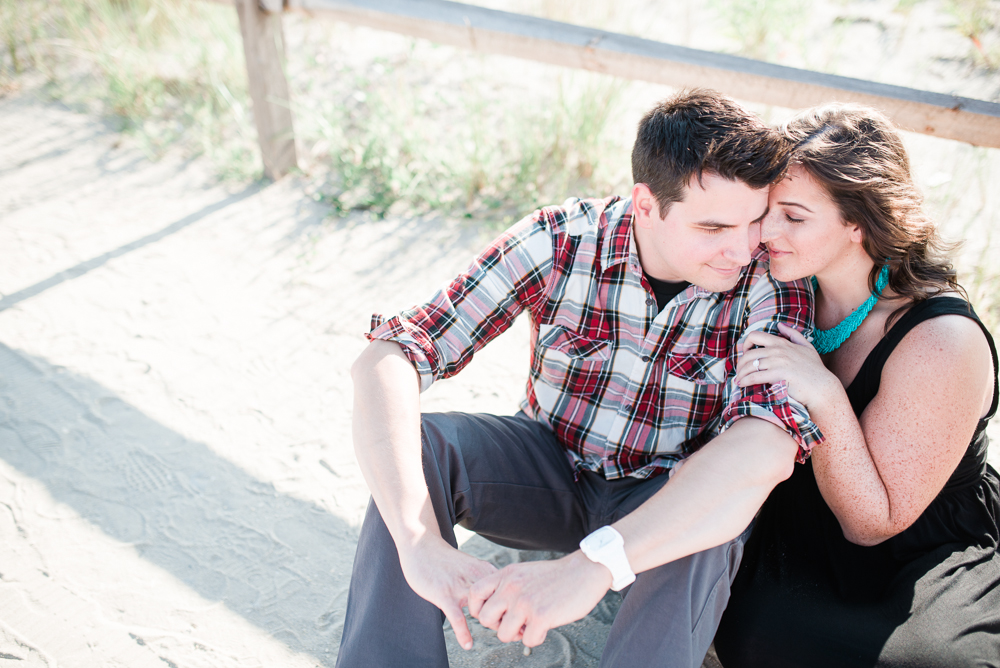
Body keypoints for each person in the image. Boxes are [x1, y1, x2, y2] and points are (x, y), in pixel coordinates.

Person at [336, 89, 824, 668]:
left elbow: (766, 446)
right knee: (420, 445)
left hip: (665, 493)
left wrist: (595, 566)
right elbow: (391, 356)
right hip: (549, 467)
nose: (742, 249)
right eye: (714, 227)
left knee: (718, 516)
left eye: (753, 222)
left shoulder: (771, 280)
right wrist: (418, 544)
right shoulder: (561, 238)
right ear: (646, 204)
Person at [713, 104, 1000, 667]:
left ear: (859, 223)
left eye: (793, 217)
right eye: (767, 211)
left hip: (917, 540)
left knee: (929, 661)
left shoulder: (939, 339)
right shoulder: (777, 284)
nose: (767, 233)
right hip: (798, 519)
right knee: (756, 632)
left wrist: (822, 392)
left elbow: (872, 524)